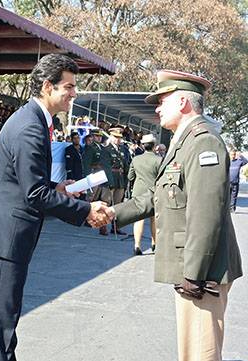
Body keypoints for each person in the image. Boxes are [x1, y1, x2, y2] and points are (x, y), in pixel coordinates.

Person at [0, 54, 111, 361]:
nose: (74, 93)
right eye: (69, 86)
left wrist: (58, 188)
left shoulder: (33, 120)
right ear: (47, 86)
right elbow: (33, 193)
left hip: (8, 233)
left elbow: (27, 183)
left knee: (4, 319)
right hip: (5, 236)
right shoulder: (29, 127)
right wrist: (85, 211)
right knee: (0, 323)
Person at [108, 70, 243, 361]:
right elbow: (159, 196)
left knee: (201, 353)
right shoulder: (182, 143)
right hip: (194, 270)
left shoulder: (203, 142)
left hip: (203, 273)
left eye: (162, 100)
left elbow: (205, 213)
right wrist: (111, 212)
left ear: (182, 102)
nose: (157, 107)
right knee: (190, 351)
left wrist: (193, 273)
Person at [127, 133, 161, 255]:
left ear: (143, 145)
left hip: (139, 192)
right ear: (154, 146)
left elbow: (130, 176)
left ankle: (137, 245)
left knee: (139, 220)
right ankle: (154, 243)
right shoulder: (159, 160)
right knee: (154, 219)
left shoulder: (136, 159)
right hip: (153, 192)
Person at [83, 128, 112, 236]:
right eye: (96, 136)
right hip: (94, 174)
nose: (98, 138)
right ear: (93, 137)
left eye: (100, 136)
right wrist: (87, 177)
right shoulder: (91, 148)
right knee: (91, 197)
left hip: (102, 175)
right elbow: (86, 163)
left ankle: (99, 222)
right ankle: (86, 218)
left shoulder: (101, 148)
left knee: (103, 198)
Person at [105, 127, 127, 235]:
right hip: (112, 177)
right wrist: (110, 181)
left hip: (120, 178)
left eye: (119, 138)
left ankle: (116, 227)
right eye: (116, 137)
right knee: (108, 202)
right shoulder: (106, 149)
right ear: (111, 137)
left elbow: (126, 164)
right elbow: (106, 167)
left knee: (118, 205)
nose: (118, 140)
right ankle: (103, 225)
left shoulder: (122, 149)